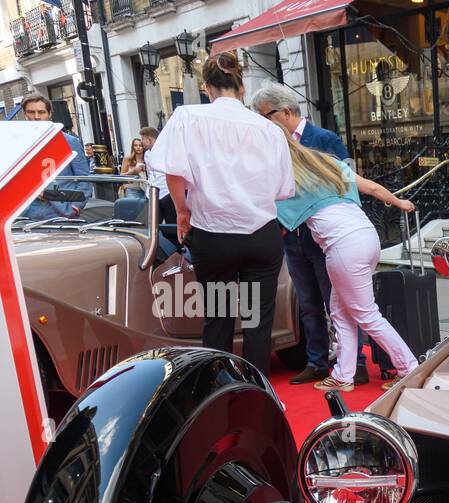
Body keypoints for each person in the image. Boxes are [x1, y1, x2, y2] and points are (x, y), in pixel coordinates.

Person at [147, 52, 295, 375]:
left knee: (219, 320)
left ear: (207, 88)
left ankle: (220, 392)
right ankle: (257, 394)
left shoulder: (188, 117)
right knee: (257, 322)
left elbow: (172, 171)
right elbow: (283, 189)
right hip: (260, 235)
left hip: (214, 236)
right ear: (241, 87)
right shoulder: (269, 130)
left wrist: (182, 209)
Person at [276, 131, 418, 393]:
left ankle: (409, 369)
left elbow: (279, 229)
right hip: (367, 236)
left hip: (342, 247)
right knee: (341, 312)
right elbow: (373, 188)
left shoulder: (289, 182)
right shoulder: (329, 165)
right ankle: (344, 375)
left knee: (366, 315)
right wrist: (400, 203)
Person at [250, 81, 370, 386]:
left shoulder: (325, 139)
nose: (262, 124)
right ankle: (317, 360)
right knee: (307, 304)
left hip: (327, 238)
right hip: (292, 236)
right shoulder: (269, 146)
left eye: (265, 116)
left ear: (285, 112)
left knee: (339, 303)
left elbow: (348, 182)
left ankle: (353, 363)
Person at [19, 93, 92, 220]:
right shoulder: (19, 142)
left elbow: (84, 179)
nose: (36, 117)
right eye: (31, 112)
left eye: (41, 112)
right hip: (26, 214)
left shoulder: (69, 141)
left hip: (61, 212)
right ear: (25, 114)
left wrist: (75, 207)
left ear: (49, 114)